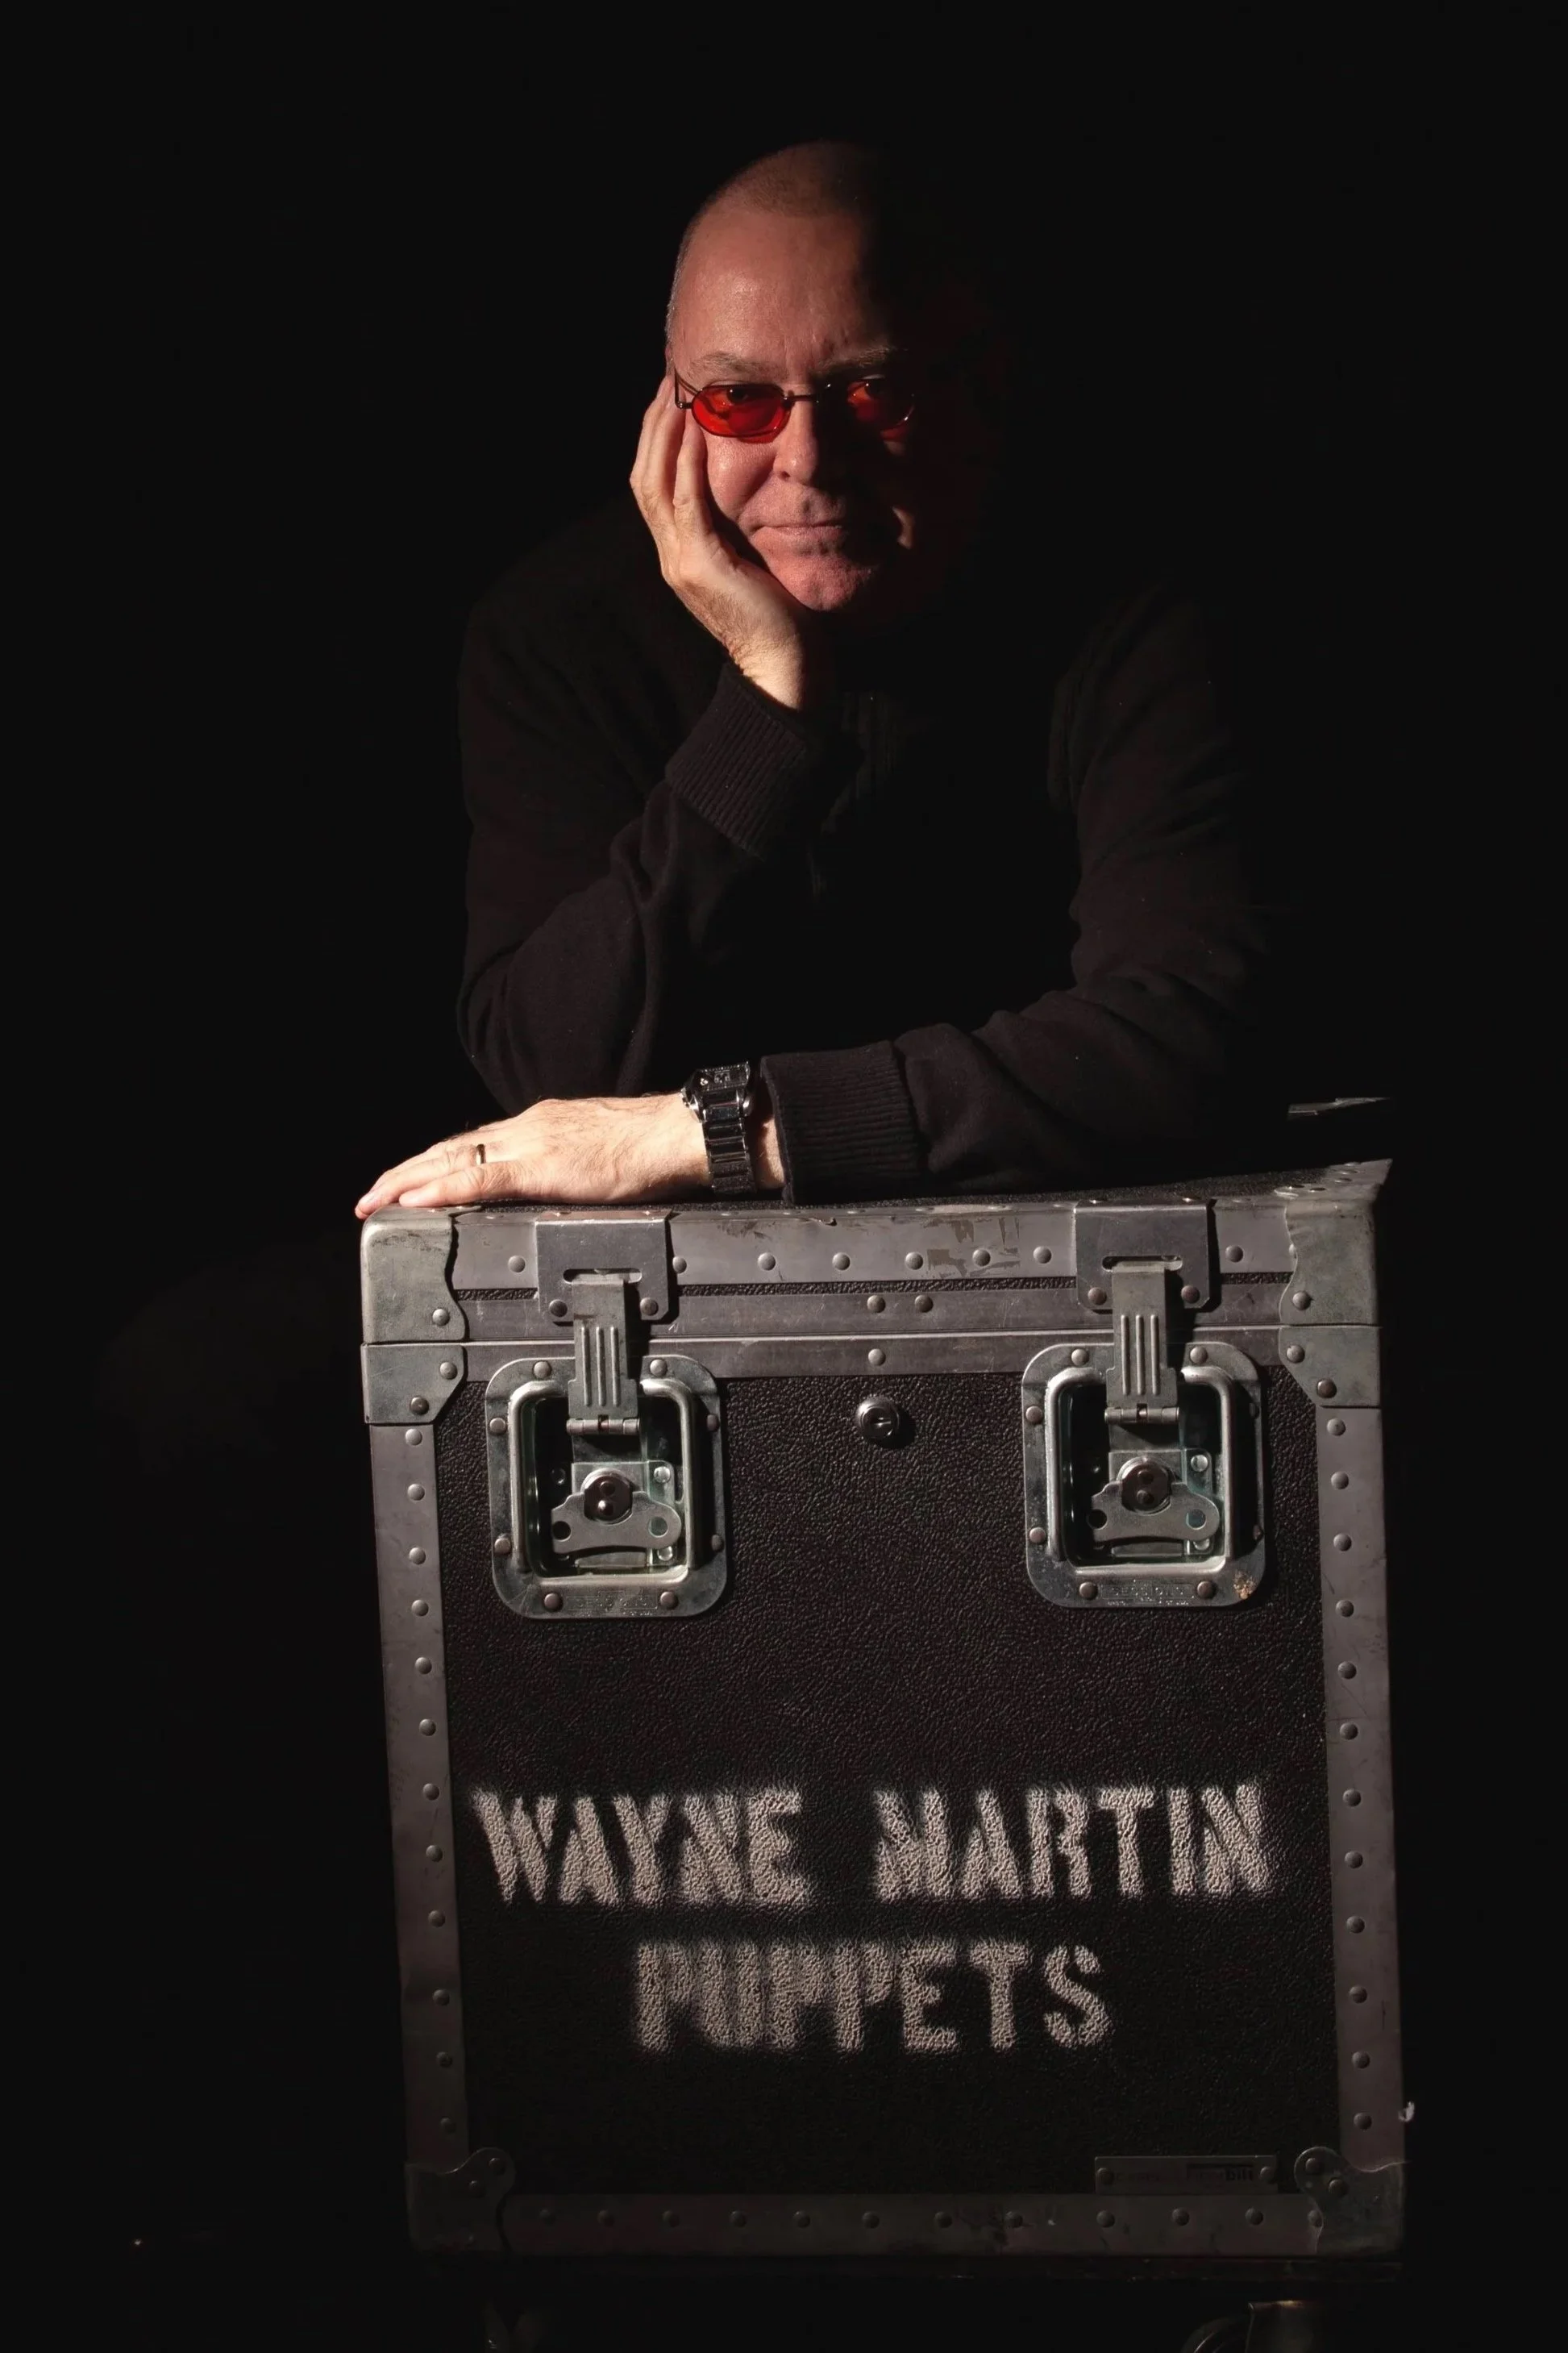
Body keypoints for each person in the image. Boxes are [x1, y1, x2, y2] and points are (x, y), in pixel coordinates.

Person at [355, 138, 1287, 1226]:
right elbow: (555, 1072)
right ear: (672, 414)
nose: (808, 459)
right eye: (740, 401)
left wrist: (717, 1131)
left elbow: (1190, 1037)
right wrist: (767, 705)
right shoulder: (557, 634)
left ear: (980, 387)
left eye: (871, 392)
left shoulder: (1136, 616)